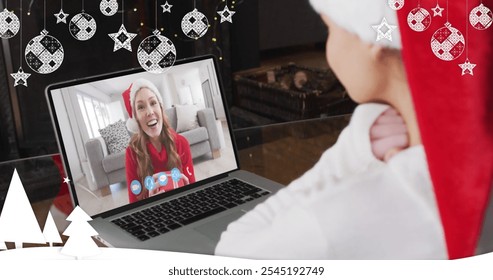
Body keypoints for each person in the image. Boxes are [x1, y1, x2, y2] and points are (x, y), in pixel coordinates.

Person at [214, 0, 458, 259]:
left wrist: (354, 149)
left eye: (329, 29)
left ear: (372, 41)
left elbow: (232, 251)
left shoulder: (331, 222)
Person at [123, 78, 196, 203]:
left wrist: (187, 189)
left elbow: (194, 191)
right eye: (141, 107)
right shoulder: (132, 153)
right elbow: (134, 204)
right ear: (136, 119)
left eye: (153, 103)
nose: (150, 112)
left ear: (161, 108)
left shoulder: (181, 143)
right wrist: (152, 203)